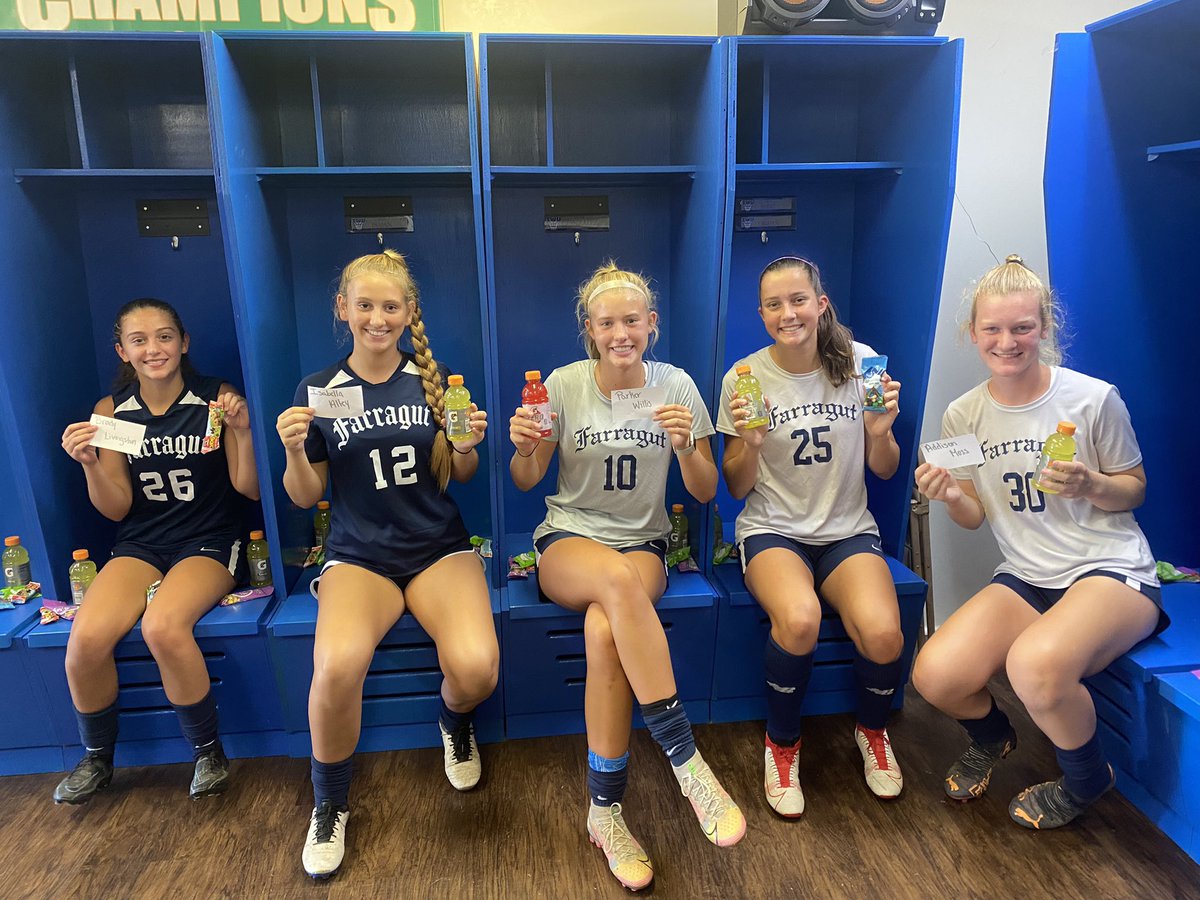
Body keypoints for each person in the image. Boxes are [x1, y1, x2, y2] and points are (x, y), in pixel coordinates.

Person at [508, 261, 745, 892]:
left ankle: (604, 811)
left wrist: (690, 446)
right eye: (607, 322)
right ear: (590, 329)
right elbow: (526, 482)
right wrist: (525, 445)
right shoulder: (562, 384)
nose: (621, 333)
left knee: (602, 630)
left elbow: (705, 490)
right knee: (611, 585)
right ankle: (685, 757)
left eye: (632, 320)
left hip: (643, 542)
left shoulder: (676, 386)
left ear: (652, 325)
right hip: (568, 542)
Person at [913, 255, 1166, 830]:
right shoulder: (965, 414)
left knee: (1033, 667)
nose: (1007, 342)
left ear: (1045, 328)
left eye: (1022, 327)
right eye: (993, 329)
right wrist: (950, 497)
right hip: (1028, 574)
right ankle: (994, 736)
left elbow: (1135, 491)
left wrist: (1092, 483)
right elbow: (977, 516)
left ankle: (1087, 779)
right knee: (935, 675)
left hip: (1109, 571)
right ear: (972, 333)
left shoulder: (1093, 399)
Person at [277, 250, 497, 878]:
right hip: (360, 556)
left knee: (478, 668)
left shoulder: (435, 378)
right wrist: (294, 449)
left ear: (409, 314)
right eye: (365, 304)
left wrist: (465, 445)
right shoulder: (320, 391)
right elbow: (305, 495)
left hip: (436, 547)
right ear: (342, 309)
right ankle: (330, 803)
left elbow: (463, 474)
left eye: (391, 306)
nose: (378, 318)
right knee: (337, 667)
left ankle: (454, 721)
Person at [717, 256, 906, 818]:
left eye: (798, 300)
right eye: (774, 305)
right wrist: (749, 443)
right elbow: (734, 486)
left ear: (821, 304)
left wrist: (880, 433)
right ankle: (782, 743)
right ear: (761, 314)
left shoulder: (862, 364)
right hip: (773, 528)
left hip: (847, 529)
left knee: (884, 635)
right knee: (798, 619)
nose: (788, 313)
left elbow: (887, 468)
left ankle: (872, 732)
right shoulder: (744, 377)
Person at [55, 298, 259, 804]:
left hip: (209, 540)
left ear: (183, 342)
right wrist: (88, 464)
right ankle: (98, 757)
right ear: (122, 350)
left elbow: (249, 488)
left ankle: (208, 752)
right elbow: (118, 508)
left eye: (165, 337)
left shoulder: (216, 399)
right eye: (139, 340)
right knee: (85, 640)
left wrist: (243, 431)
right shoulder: (111, 413)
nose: (154, 349)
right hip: (141, 543)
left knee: (163, 626)